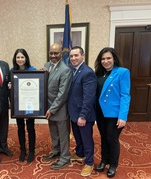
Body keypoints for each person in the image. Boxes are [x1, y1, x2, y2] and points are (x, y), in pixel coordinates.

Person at [94, 47, 131, 178]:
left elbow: (125, 95)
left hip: (114, 114)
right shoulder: (98, 73)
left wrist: (123, 116)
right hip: (100, 113)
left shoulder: (122, 72)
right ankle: (104, 160)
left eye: (108, 58)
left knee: (112, 139)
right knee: (103, 138)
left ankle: (113, 164)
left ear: (114, 58)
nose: (105, 61)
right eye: (103, 59)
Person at [67, 46, 97, 177]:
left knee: (86, 139)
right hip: (73, 112)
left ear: (83, 56)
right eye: (71, 56)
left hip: (83, 114)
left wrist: (83, 115)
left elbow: (89, 97)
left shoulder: (87, 72)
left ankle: (89, 162)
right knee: (78, 137)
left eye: (76, 55)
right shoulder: (73, 70)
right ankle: (80, 153)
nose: (73, 58)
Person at [42, 43, 72, 170]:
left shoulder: (65, 70)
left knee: (63, 135)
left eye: (56, 53)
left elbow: (62, 94)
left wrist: (52, 109)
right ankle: (56, 151)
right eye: (51, 53)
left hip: (59, 109)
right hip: (48, 107)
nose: (53, 55)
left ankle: (65, 157)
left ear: (62, 54)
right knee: (53, 133)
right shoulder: (46, 65)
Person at [11, 48, 36, 163]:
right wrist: (10, 86)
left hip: (30, 103)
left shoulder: (33, 70)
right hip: (18, 104)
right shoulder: (12, 71)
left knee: (30, 127)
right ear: (15, 59)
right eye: (18, 57)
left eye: (22, 57)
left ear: (26, 58)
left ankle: (31, 151)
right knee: (20, 127)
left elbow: (38, 87)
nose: (20, 59)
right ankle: (22, 150)